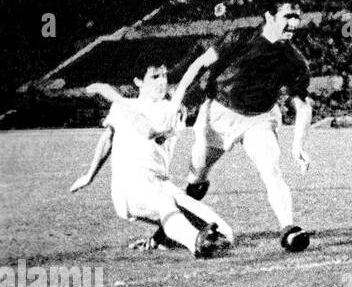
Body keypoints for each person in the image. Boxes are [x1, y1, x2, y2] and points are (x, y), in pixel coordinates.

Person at [177, 0, 313, 252]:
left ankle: (289, 230)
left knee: (271, 170)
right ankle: (178, 226)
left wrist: (298, 146)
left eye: (297, 17)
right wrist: (178, 99)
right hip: (220, 113)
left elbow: (303, 105)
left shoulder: (293, 59)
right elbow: (199, 64)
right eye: (288, 17)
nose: (294, 23)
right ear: (269, 16)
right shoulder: (240, 38)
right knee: (197, 175)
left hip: (259, 118)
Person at [70, 62, 235, 258]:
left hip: (160, 183)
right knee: (165, 205)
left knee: (226, 234)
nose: (161, 82)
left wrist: (111, 94)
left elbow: (150, 130)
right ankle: (196, 243)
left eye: (164, 76)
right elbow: (108, 138)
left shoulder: (170, 109)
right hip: (130, 186)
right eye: (155, 77)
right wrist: (90, 174)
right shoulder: (124, 107)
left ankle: (166, 239)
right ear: (139, 81)